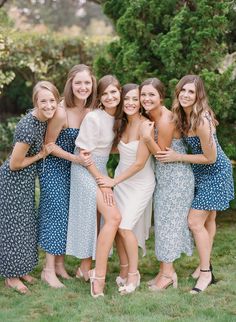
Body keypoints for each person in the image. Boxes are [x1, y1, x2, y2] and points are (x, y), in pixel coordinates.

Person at [156, 75, 234, 293]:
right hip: (200, 172)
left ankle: (206, 273)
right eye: (182, 90)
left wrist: (177, 157)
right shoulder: (183, 116)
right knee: (208, 220)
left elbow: (211, 158)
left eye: (191, 92)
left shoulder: (201, 120)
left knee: (194, 222)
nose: (185, 95)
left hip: (216, 174)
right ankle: (202, 266)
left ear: (198, 95)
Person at [37, 65, 96, 288]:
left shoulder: (90, 109)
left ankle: (60, 265)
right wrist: (77, 160)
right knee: (56, 217)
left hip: (72, 171)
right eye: (78, 83)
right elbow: (49, 145)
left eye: (87, 83)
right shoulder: (61, 111)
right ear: (70, 84)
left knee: (66, 217)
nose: (83, 87)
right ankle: (48, 270)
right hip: (54, 169)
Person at [96, 83, 155, 294]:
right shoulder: (120, 123)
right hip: (122, 179)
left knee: (125, 226)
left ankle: (133, 274)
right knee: (119, 228)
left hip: (140, 182)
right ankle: (123, 270)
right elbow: (113, 148)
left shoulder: (146, 125)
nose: (130, 103)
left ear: (141, 102)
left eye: (135, 99)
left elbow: (139, 163)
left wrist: (113, 181)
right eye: (127, 98)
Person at [0, 81, 59, 294]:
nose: (49, 105)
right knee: (13, 230)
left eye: (52, 100)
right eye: (43, 101)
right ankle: (11, 277)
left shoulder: (44, 119)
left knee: (26, 227)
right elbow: (14, 164)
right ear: (36, 102)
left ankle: (23, 269)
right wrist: (40, 155)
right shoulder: (27, 127)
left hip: (25, 182)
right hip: (12, 182)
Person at [66, 75, 122, 297]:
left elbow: (109, 147)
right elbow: (83, 154)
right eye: (105, 93)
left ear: (120, 93)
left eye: (114, 92)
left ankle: (84, 269)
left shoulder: (118, 118)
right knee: (113, 217)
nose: (110, 97)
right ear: (99, 96)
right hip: (84, 169)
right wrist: (103, 182)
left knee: (99, 221)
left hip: (99, 169)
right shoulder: (94, 118)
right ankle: (98, 278)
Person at [139, 78, 194, 291]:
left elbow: (161, 154)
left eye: (151, 94)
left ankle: (169, 275)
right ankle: (164, 271)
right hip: (165, 178)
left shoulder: (166, 119)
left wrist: (146, 137)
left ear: (161, 97)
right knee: (163, 224)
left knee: (169, 225)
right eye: (143, 94)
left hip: (177, 178)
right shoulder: (151, 116)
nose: (146, 99)